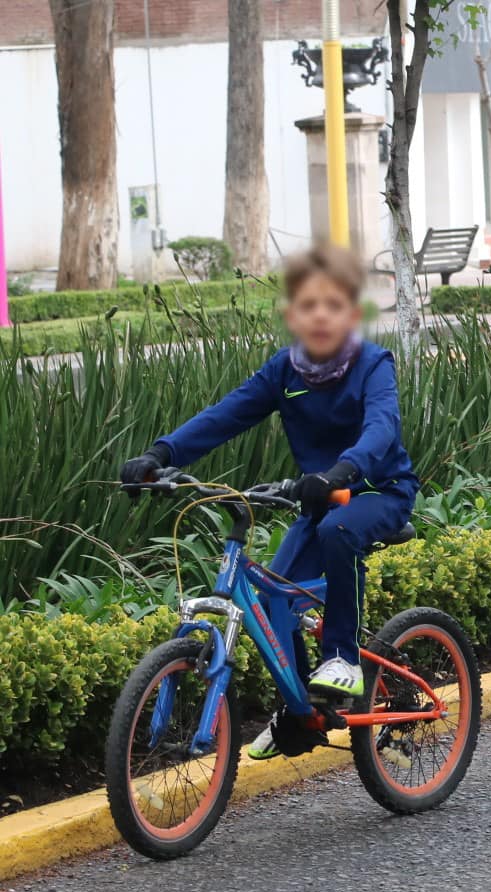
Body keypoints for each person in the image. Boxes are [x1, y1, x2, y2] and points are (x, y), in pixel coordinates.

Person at [118, 244, 419, 758]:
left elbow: (381, 428)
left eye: (332, 304)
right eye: (308, 305)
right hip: (321, 500)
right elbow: (226, 414)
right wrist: (160, 454)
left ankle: (343, 658)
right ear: (292, 316)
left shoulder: (372, 364)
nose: (320, 315)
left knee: (335, 531)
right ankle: (304, 709)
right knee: (274, 599)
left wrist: (342, 470)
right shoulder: (285, 371)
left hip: (376, 491)